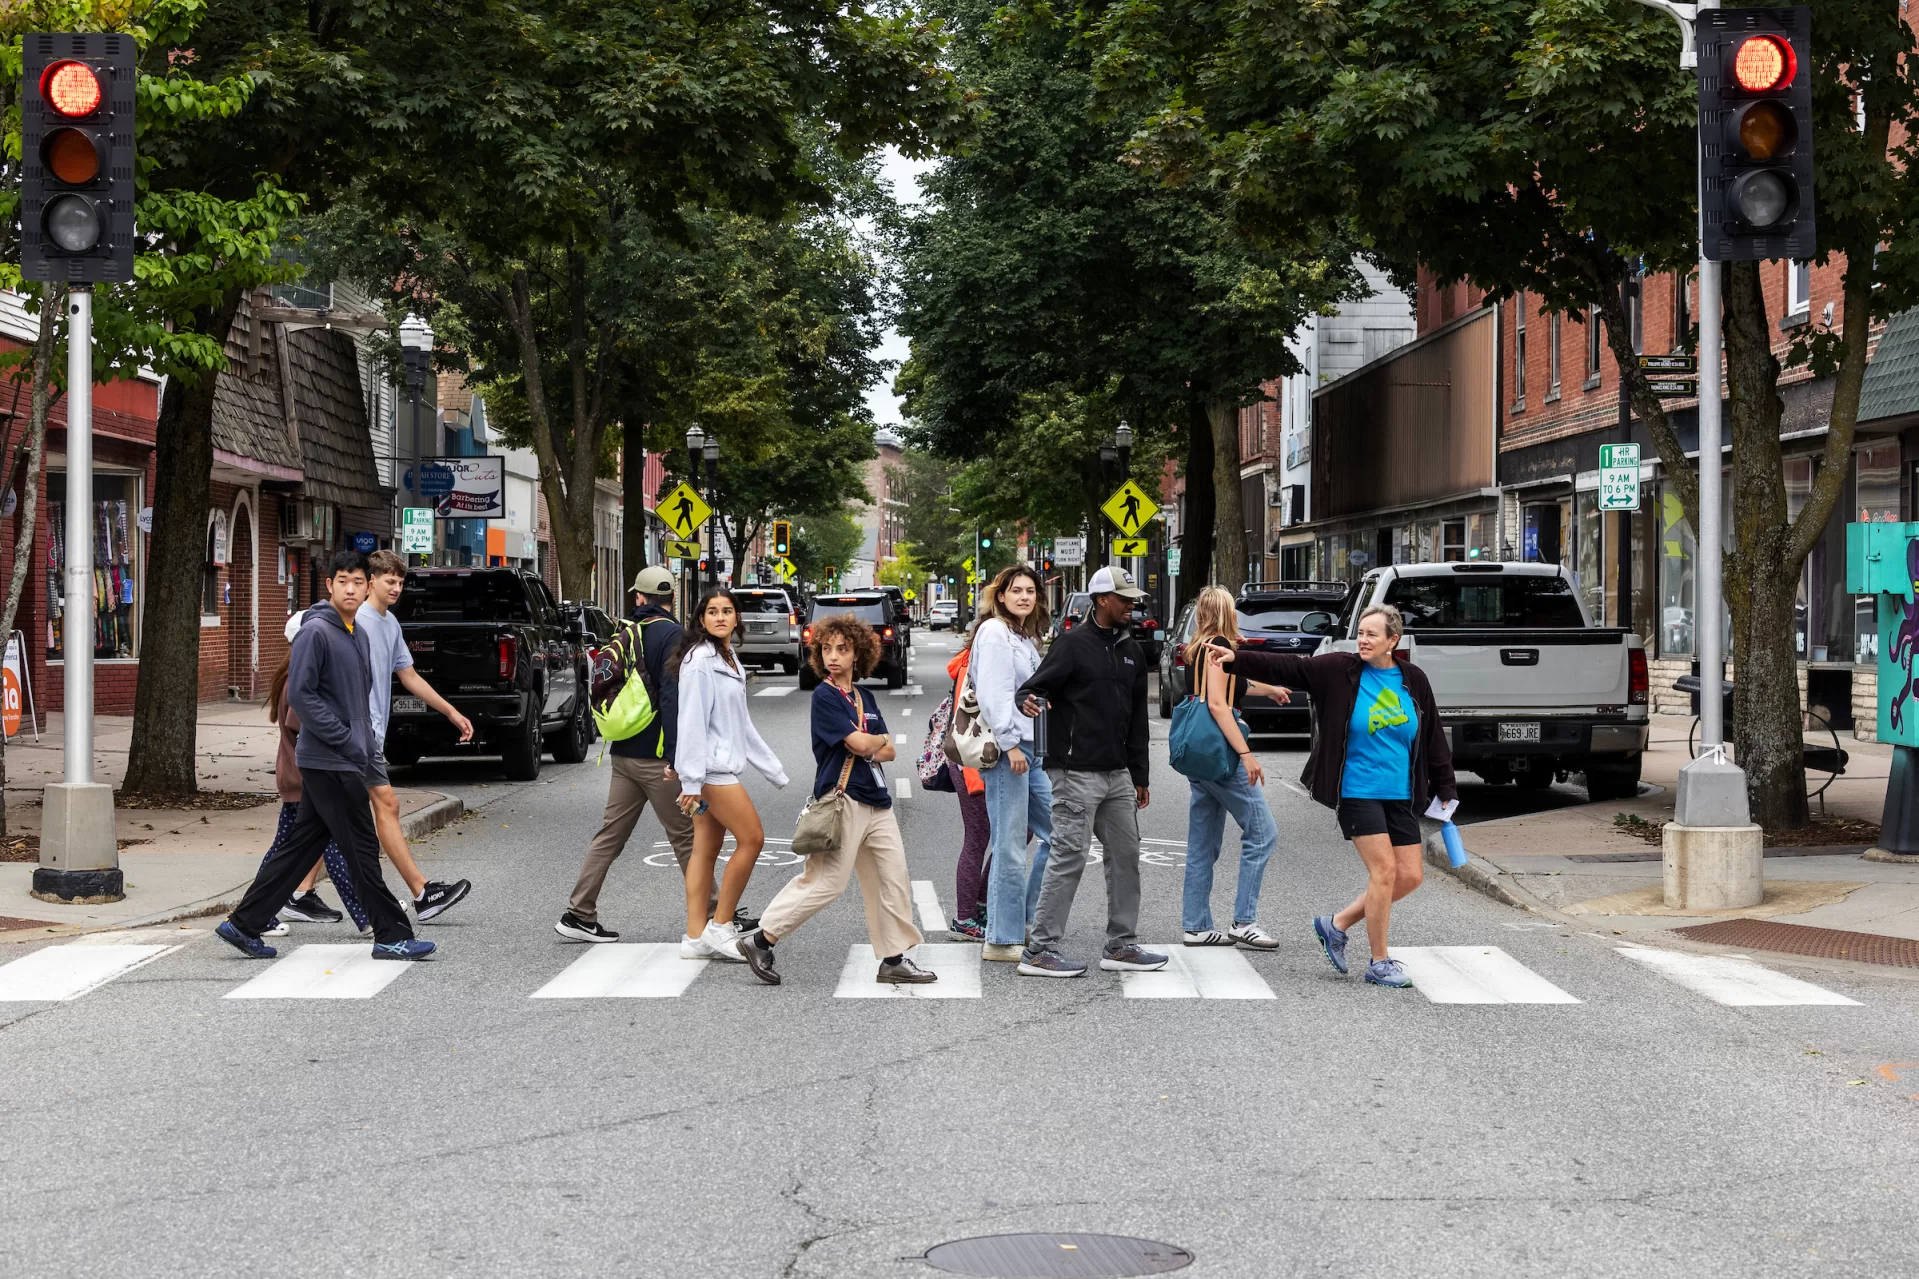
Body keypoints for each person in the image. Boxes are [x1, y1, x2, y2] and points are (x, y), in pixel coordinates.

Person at [1204, 601, 1457, 988]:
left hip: (1401, 794)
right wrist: (1235, 659)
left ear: (1394, 640)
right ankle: (1379, 961)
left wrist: (1445, 789)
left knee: (1410, 876)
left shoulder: (1413, 679)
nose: (1363, 640)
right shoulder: (1340, 670)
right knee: (1384, 872)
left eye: (1372, 634)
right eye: (1361, 632)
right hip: (1358, 791)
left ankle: (1336, 924)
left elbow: (1433, 736)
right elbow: (1292, 667)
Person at [216, 551, 429, 960]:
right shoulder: (316, 632)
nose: (351, 588)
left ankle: (242, 924)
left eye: (357, 581)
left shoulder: (358, 634)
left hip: (347, 758)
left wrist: (362, 747)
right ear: (329, 585)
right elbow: (301, 695)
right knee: (362, 849)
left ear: (367, 587)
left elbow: (357, 700)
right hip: (329, 761)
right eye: (342, 580)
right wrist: (346, 739)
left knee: (299, 849)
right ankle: (389, 934)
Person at [737, 615, 934, 986]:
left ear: (858, 653)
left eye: (842, 649)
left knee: (891, 879)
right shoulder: (825, 696)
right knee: (827, 882)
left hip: (877, 801)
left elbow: (890, 751)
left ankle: (893, 958)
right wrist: (871, 741)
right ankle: (761, 939)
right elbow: (866, 744)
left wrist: (870, 743)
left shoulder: (865, 697)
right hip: (842, 800)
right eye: (826, 649)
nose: (833, 656)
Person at [290, 551, 475, 920]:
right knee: (384, 806)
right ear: (370, 581)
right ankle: (421, 894)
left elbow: (408, 676)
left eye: (401, 582)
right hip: (351, 735)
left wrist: (451, 711)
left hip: (364, 734)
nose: (396, 588)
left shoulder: (388, 625)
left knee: (321, 820)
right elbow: (304, 662)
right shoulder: (351, 620)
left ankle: (296, 893)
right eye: (389, 580)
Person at [1013, 565, 1165, 978]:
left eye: (1134, 600)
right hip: (1075, 770)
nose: (1132, 606)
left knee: (1127, 855)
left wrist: (1140, 775)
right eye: (1124, 599)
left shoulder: (1132, 651)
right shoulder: (1072, 645)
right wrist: (1028, 700)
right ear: (1102, 600)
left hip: (1117, 773)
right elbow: (1032, 688)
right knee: (1070, 855)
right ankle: (1040, 949)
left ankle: (1121, 944)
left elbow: (1138, 721)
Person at [556, 565, 696, 942]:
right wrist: (675, 753)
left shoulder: (625, 632)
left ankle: (579, 913)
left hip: (622, 754)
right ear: (671, 599)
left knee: (609, 836)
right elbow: (671, 694)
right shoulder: (674, 636)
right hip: (656, 757)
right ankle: (716, 914)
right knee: (686, 837)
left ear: (639, 598)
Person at [673, 588, 788, 961]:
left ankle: (695, 936)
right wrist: (690, 781)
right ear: (701, 619)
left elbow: (741, 726)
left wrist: (773, 770)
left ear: (736, 618)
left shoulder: (728, 657)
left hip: (713, 768)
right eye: (712, 611)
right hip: (711, 773)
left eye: (727, 611)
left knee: (705, 849)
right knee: (753, 838)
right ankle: (720, 927)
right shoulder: (699, 660)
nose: (720, 617)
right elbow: (690, 722)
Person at [1178, 586, 1290, 949]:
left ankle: (1196, 926)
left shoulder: (1199, 647)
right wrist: (1246, 754)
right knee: (1262, 833)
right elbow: (1217, 704)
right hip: (1222, 756)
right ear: (1227, 612)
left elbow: (1230, 685)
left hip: (1200, 756)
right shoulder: (1218, 644)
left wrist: (1268, 688)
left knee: (1202, 845)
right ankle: (1245, 920)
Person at [970, 565, 1053, 963]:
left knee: (1062, 835)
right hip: (1010, 754)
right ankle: (1001, 939)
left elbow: (1024, 694)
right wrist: (1009, 745)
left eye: (1030, 591)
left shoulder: (1023, 637)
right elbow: (993, 694)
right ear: (1000, 596)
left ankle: (1025, 917)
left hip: (1032, 750)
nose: (1024, 596)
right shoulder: (995, 633)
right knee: (1008, 844)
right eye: (1016, 590)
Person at [264, 653, 369, 933]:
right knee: (337, 849)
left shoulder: (291, 679)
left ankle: (257, 915)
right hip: (308, 779)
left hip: (296, 777)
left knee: (283, 850)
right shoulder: (301, 685)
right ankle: (366, 916)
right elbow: (310, 731)